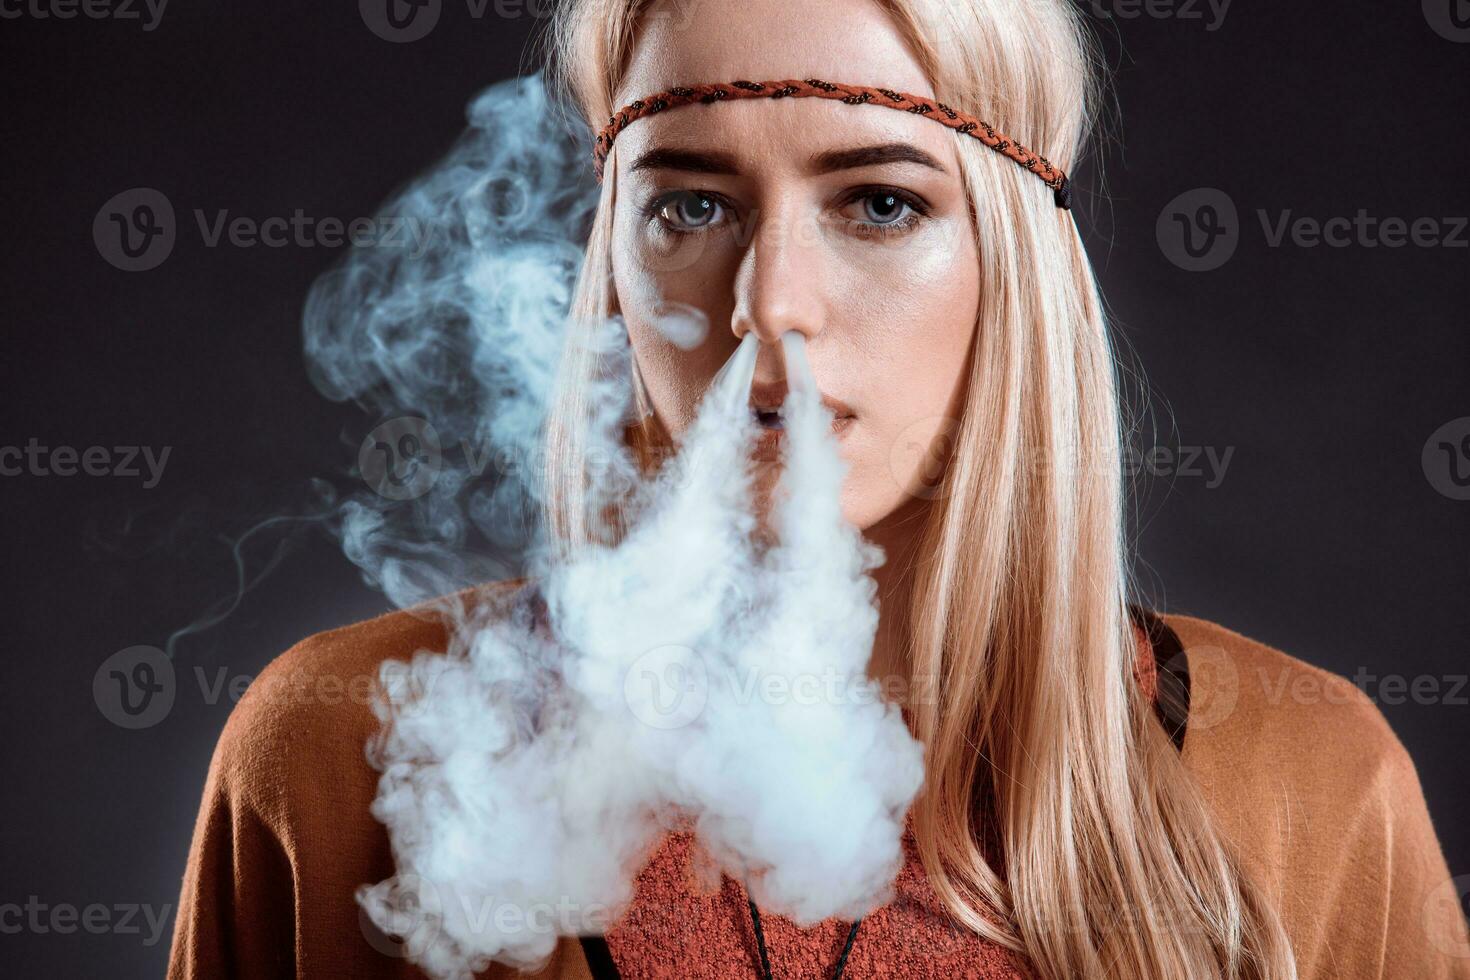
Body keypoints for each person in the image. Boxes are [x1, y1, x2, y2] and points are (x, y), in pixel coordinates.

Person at [167, 0, 1470, 977]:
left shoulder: (1301, 779)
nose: (767, 307)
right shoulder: (340, 762)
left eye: (879, 205)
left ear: (1010, 263)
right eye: (686, 206)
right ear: (608, 256)